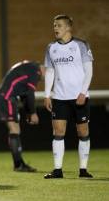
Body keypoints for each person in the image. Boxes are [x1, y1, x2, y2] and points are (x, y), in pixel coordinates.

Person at [43, 15, 94, 179]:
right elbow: (50, 72)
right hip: (59, 97)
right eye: (54, 25)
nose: (55, 28)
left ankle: (83, 170)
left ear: (68, 28)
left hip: (80, 97)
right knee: (58, 131)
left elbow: (89, 71)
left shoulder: (81, 45)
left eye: (58, 25)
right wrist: (46, 95)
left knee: (83, 132)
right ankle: (57, 170)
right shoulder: (51, 47)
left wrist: (82, 92)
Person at [0, 60, 45, 172]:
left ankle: (19, 163)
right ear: (45, 69)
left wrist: (28, 112)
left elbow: (24, 94)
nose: (44, 79)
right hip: (7, 98)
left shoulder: (29, 67)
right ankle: (18, 164)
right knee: (14, 130)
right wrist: (33, 113)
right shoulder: (35, 71)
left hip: (6, 98)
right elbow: (30, 93)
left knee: (15, 130)